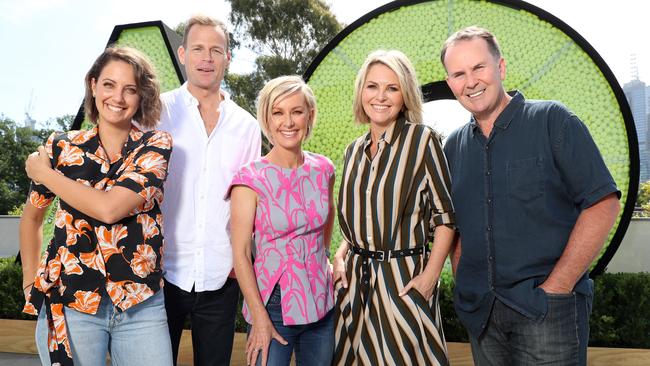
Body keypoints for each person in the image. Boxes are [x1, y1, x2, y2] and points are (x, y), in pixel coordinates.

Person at [441, 26, 621, 366]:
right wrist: (465, 281)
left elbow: (602, 203)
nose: (471, 81)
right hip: (482, 317)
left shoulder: (552, 120)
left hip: (546, 314)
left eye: (479, 67)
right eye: (459, 74)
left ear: (501, 68)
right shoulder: (452, 148)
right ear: (451, 84)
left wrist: (557, 287)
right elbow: (456, 228)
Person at [20, 46, 173, 366]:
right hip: (72, 303)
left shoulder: (154, 146)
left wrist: (44, 174)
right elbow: (32, 218)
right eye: (109, 84)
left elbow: (110, 209)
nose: (118, 97)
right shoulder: (60, 147)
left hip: (141, 307)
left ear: (141, 96)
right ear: (92, 85)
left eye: (129, 89)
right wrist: (28, 282)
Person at [332, 49, 456, 366]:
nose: (381, 97)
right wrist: (341, 254)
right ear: (361, 92)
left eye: (392, 87)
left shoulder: (423, 141)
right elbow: (360, 220)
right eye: (372, 86)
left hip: (402, 283)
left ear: (405, 95)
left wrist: (429, 278)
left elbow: (445, 218)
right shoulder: (353, 151)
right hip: (355, 287)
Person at [157, 15, 262, 366]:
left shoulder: (247, 126)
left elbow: (248, 203)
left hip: (222, 276)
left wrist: (239, 262)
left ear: (227, 58)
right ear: (184, 54)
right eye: (198, 48)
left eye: (216, 50)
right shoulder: (156, 111)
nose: (207, 58)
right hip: (160, 274)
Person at [228, 75, 336, 366]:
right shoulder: (249, 178)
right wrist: (260, 318)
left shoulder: (324, 169)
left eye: (296, 111)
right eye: (278, 112)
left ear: (309, 115)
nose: (287, 122)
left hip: (321, 303)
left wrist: (322, 258)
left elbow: (327, 219)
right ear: (267, 118)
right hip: (272, 306)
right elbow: (240, 255)